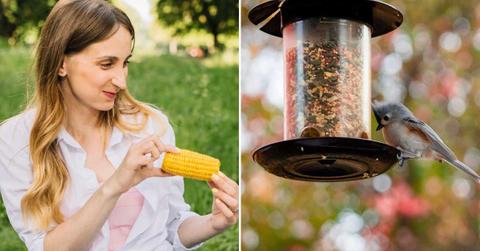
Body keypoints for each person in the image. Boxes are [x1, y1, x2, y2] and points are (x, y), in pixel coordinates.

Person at [0, 0, 239, 250]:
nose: (121, 81)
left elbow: (173, 226)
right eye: (106, 64)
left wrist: (213, 223)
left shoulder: (150, 125)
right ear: (61, 63)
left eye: (125, 63)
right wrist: (116, 185)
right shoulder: (16, 139)